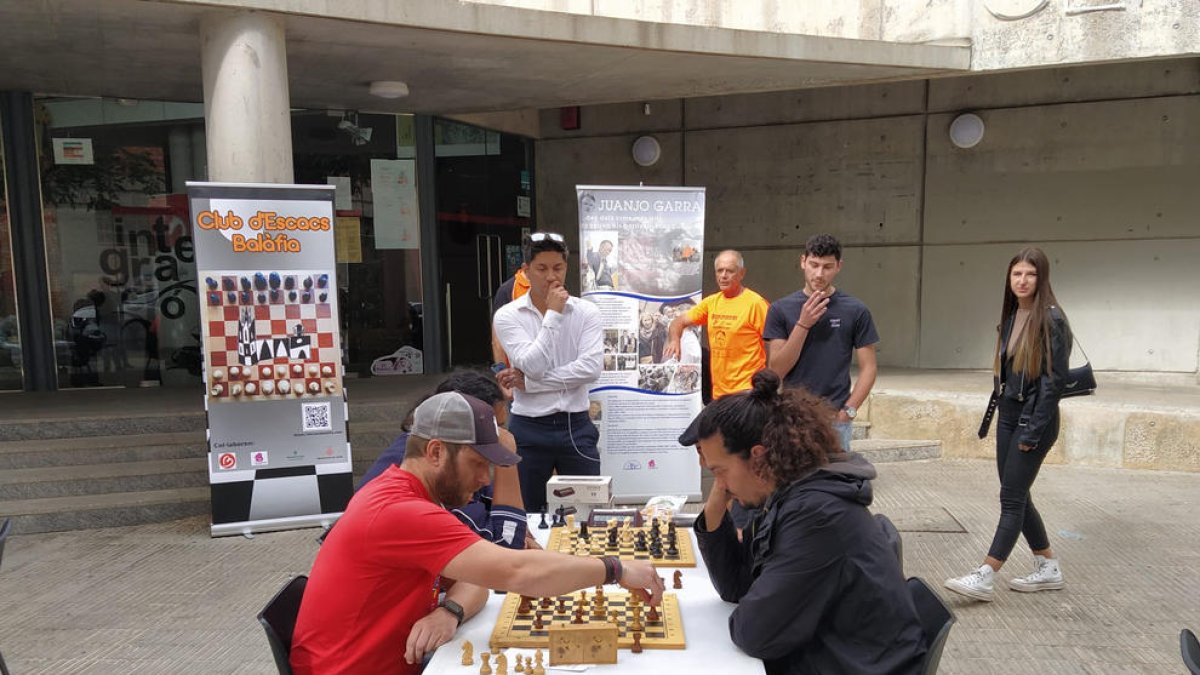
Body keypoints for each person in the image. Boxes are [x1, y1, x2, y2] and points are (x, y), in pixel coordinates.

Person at [291, 391, 665, 675]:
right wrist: (614, 569)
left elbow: (479, 580)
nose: (485, 479)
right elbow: (519, 574)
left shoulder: (411, 495)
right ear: (435, 452)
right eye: (477, 463)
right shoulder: (400, 512)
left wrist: (449, 611)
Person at [688, 369, 925, 675]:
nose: (718, 482)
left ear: (758, 458)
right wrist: (719, 498)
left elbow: (755, 632)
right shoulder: (788, 495)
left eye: (719, 471)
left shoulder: (818, 515)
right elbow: (736, 586)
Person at [945, 247, 1072, 602]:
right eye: (1016, 274)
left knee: (1011, 497)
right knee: (1018, 492)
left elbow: (1052, 383)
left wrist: (1032, 430)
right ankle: (1048, 565)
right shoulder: (1014, 315)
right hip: (1009, 415)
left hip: (1035, 421)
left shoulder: (1052, 320)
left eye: (1030, 274)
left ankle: (986, 574)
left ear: (1041, 278)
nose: (1022, 280)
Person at [358, 370, 535, 550]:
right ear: (436, 451)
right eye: (495, 430)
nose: (501, 438)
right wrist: (507, 461)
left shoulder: (428, 449)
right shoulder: (411, 497)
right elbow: (506, 547)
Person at [492, 232, 603, 511]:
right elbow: (532, 365)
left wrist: (530, 385)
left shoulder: (586, 312)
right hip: (528, 427)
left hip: (575, 424)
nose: (551, 276)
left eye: (558, 268)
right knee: (526, 513)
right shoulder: (507, 315)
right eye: (541, 268)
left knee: (586, 513)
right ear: (526, 271)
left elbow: (590, 368)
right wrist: (553, 315)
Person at [764, 234, 878, 453]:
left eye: (827, 267)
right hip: (793, 416)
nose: (819, 273)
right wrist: (803, 324)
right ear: (802, 262)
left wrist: (849, 411)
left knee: (834, 484)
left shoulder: (855, 310)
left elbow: (869, 367)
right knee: (794, 483)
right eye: (814, 265)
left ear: (838, 267)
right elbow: (776, 369)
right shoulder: (780, 309)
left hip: (835, 418)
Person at [664, 250, 768, 399]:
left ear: (742, 273)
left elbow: (774, 342)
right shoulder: (712, 302)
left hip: (748, 392)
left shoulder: (756, 304)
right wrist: (675, 341)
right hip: (719, 394)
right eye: (720, 271)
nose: (723, 276)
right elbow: (677, 322)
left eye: (730, 271)